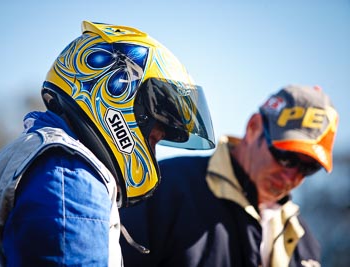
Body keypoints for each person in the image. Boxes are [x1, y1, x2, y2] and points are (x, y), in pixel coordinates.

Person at [0, 21, 215, 267]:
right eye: (154, 139)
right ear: (118, 90)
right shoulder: (69, 176)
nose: (153, 153)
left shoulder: (43, 155)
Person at [120, 85, 339, 267]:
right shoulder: (161, 188)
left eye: (308, 168)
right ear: (253, 128)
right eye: (286, 157)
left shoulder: (305, 245)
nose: (293, 174)